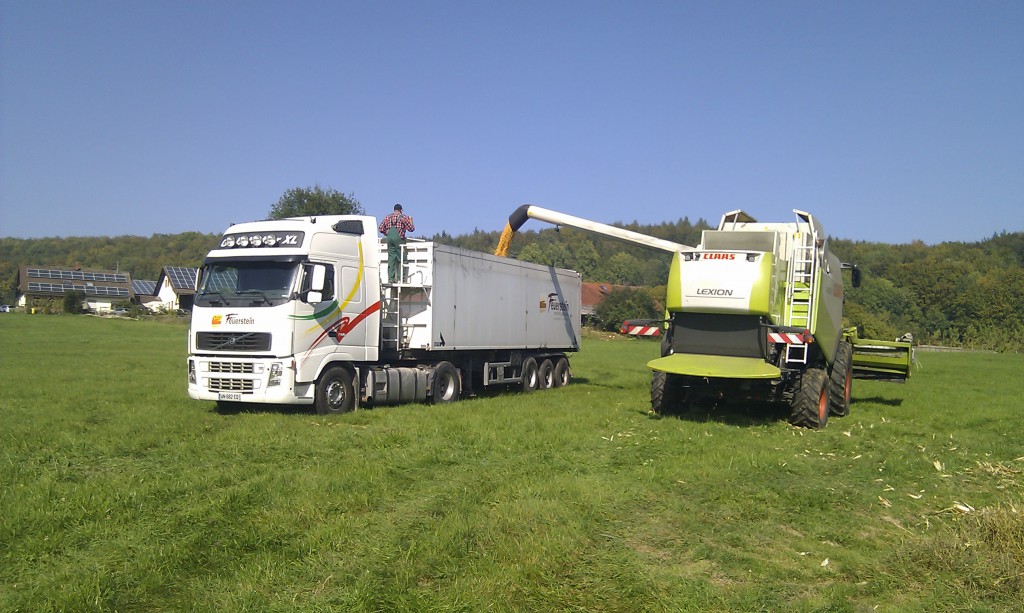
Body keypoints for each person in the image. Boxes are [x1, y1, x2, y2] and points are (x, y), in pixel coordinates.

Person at [378, 203, 415, 283]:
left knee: (391, 258)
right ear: (401, 210)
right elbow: (411, 229)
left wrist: (387, 233)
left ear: (394, 210)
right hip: (399, 239)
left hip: (389, 239)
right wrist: (411, 221)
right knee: (402, 259)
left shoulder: (388, 217)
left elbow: (380, 228)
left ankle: (391, 279)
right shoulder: (403, 217)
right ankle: (400, 279)